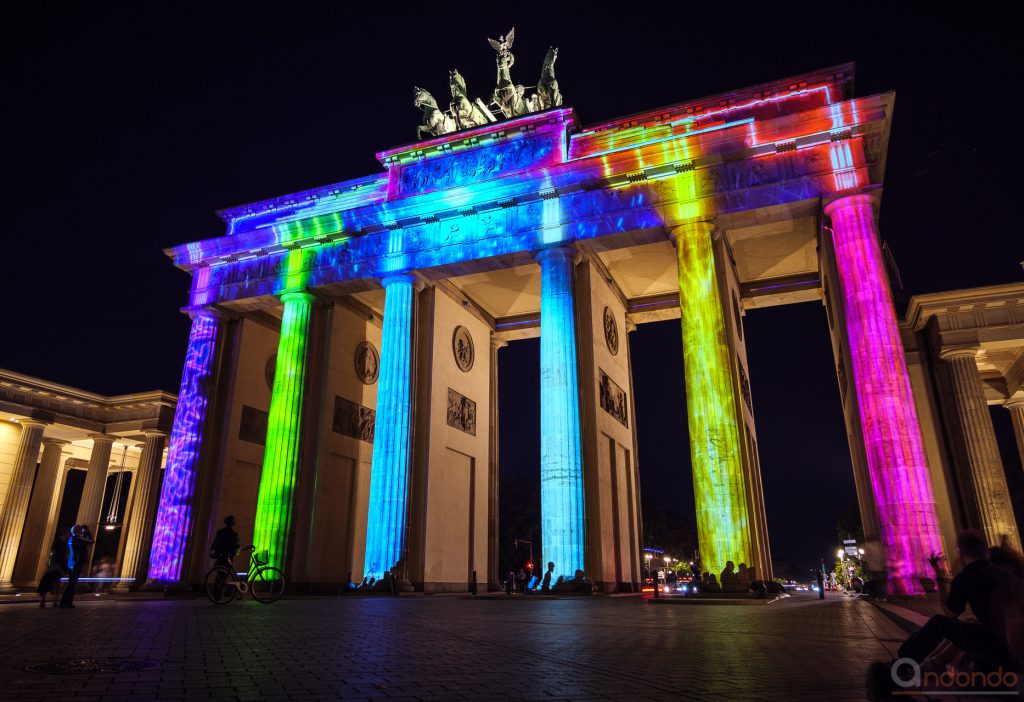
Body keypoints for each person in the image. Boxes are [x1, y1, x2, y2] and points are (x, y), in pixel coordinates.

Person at [59, 524, 94, 609]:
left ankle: (67, 602)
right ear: (77, 531)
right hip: (77, 562)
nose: (82, 530)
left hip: (72, 562)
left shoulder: (72, 539)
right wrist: (88, 532)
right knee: (72, 584)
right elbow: (91, 541)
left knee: (72, 583)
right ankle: (64, 602)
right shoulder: (78, 538)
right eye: (80, 529)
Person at [36, 527, 70, 608]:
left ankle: (53, 600)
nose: (69, 535)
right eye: (68, 534)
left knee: (53, 582)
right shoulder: (59, 541)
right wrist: (50, 564)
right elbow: (52, 552)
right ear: (64, 533)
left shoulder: (64, 542)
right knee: (51, 582)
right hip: (55, 565)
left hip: (59, 565)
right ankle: (51, 600)